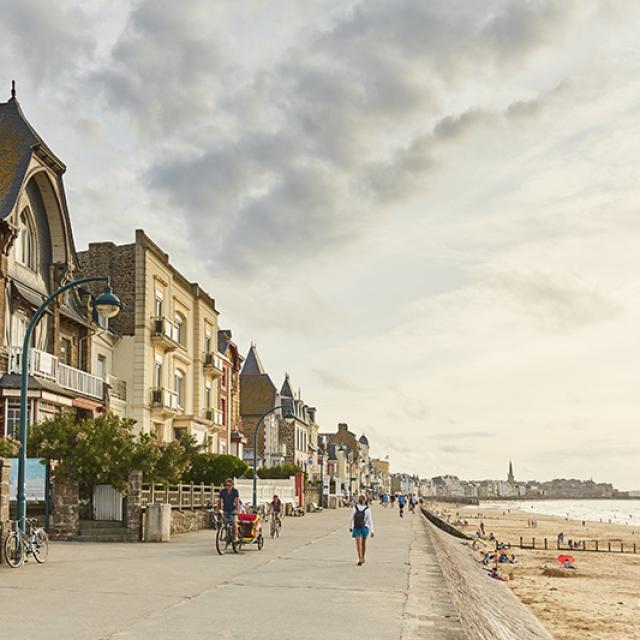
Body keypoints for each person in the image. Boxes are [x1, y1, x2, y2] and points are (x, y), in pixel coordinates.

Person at [350, 494, 375, 565]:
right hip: (365, 528)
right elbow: (370, 520)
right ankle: (363, 557)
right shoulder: (367, 509)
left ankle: (360, 558)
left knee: (358, 544)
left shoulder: (355, 508)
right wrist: (372, 530)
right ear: (365, 500)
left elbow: (351, 518)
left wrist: (350, 527)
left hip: (356, 527)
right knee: (363, 543)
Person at [217, 477, 240, 542]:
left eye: (229, 485)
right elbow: (219, 501)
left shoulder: (235, 491)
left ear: (232, 485)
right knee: (225, 523)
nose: (228, 487)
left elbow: (237, 501)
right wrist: (218, 510)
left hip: (233, 509)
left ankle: (235, 537)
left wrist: (237, 510)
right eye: (226, 485)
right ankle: (227, 535)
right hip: (225, 509)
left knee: (234, 522)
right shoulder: (223, 492)